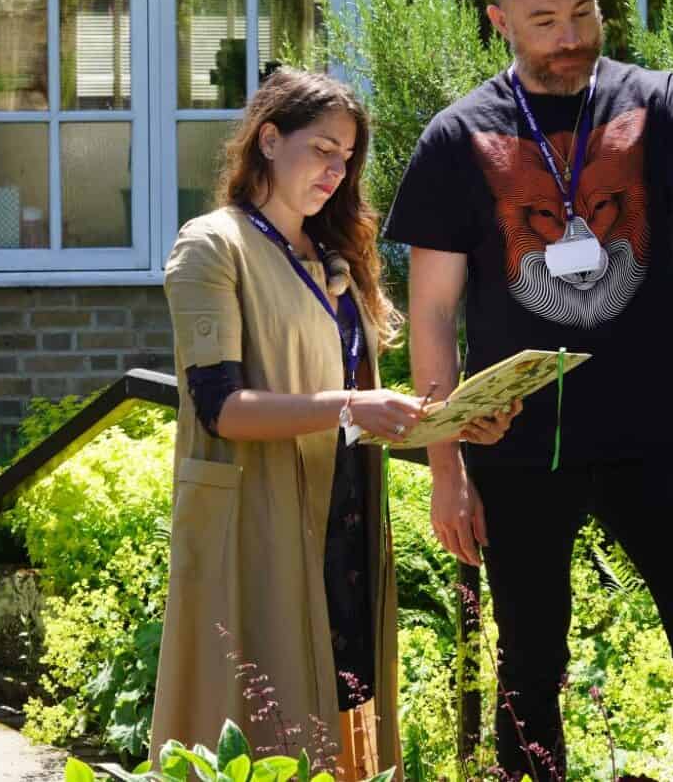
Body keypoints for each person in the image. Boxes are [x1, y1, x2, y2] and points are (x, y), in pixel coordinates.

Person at [383, 0, 673, 779]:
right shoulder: (457, 136)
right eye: (547, 19)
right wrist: (447, 468)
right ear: (499, 22)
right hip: (517, 449)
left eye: (585, 10)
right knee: (528, 674)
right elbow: (434, 315)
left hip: (653, 431)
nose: (572, 36)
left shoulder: (660, 103)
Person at [153, 69, 518, 778]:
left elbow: (350, 414)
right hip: (258, 526)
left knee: (349, 697)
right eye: (321, 148)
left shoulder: (331, 260)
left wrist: (448, 421)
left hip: (343, 518)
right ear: (267, 139)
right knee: (265, 717)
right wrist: (353, 407)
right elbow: (220, 407)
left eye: (346, 157)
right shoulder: (211, 247)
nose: (335, 170)